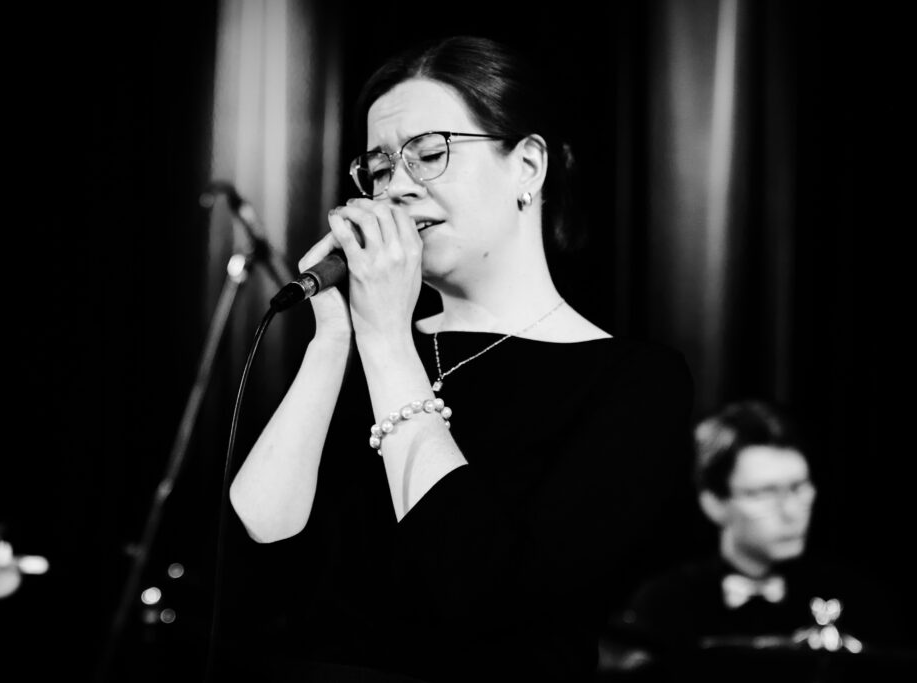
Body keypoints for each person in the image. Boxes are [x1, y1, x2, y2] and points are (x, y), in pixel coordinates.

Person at [229, 35, 695, 682]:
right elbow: (262, 531)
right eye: (380, 168)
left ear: (527, 165)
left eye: (428, 154)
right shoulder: (366, 343)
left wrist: (388, 342)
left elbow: (487, 593)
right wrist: (334, 338)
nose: (397, 188)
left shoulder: (635, 382)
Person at [608, 400, 904, 681]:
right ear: (714, 503)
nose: (790, 512)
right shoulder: (667, 603)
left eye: (798, 487)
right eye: (764, 493)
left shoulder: (856, 597)